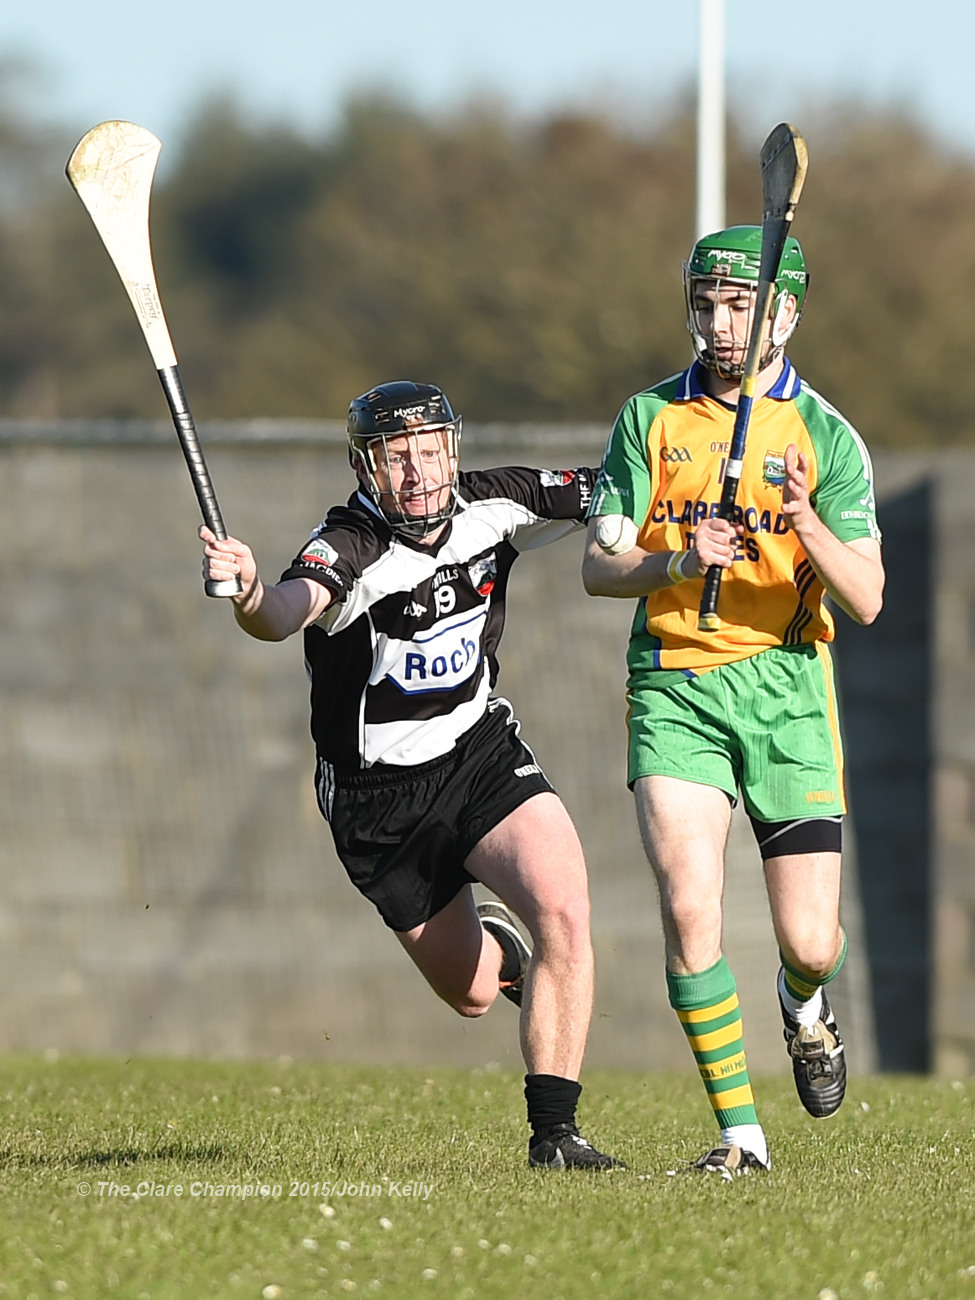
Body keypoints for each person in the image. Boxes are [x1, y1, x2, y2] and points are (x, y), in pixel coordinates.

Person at [201, 378, 623, 1171]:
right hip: (378, 800)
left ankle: (555, 1139)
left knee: (565, 908)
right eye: (397, 457)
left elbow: (617, 479)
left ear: (452, 449)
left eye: (431, 452)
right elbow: (284, 610)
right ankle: (497, 953)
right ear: (366, 469)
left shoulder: (494, 503)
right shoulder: (347, 547)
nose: (419, 472)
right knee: (469, 995)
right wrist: (249, 591)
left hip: (478, 755)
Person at [581, 225, 884, 1174]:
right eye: (706, 304)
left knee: (811, 937)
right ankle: (740, 1140)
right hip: (674, 685)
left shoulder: (826, 438)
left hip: (789, 688)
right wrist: (674, 558)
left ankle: (803, 1003)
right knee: (688, 906)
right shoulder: (647, 420)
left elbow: (867, 597)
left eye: (739, 305)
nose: (719, 324)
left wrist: (800, 521)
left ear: (783, 313)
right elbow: (599, 565)